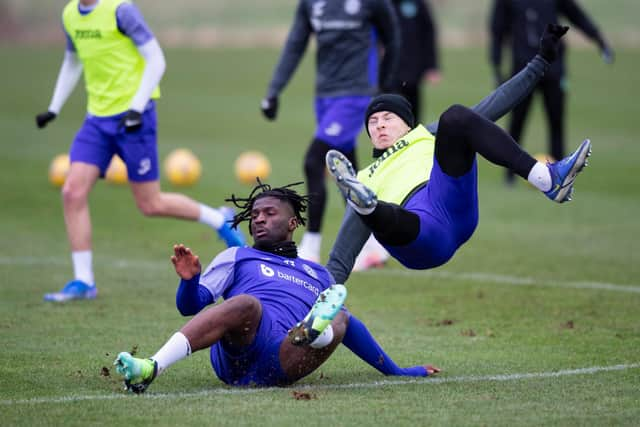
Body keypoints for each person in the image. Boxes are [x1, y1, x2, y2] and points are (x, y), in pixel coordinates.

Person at [324, 25, 592, 284]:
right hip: (419, 236)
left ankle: (547, 179)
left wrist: (541, 60)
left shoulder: (426, 135)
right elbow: (340, 259)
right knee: (375, 209)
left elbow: (496, 102)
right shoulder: (362, 177)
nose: (379, 124)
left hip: (449, 200)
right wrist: (308, 303)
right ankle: (371, 208)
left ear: (408, 123)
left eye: (388, 117)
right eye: (372, 122)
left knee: (457, 117)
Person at [114, 182, 440, 393]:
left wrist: (397, 371)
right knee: (247, 304)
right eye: (255, 215)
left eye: (269, 214)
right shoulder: (237, 256)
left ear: (293, 223)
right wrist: (189, 281)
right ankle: (150, 366)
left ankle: (313, 333)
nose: (258, 220)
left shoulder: (318, 275)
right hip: (239, 353)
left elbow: (352, 330)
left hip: (284, 359)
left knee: (339, 315)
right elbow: (190, 306)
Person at [35, 0, 245, 302]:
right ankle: (84, 281)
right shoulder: (70, 14)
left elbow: (157, 59)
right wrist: (54, 107)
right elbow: (72, 60)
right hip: (97, 121)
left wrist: (135, 108)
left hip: (136, 119)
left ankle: (218, 219)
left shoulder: (121, 11)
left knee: (151, 203)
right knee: (72, 192)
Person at [260, 0, 401, 263]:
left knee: (314, 161)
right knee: (347, 171)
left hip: (355, 94)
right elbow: (295, 45)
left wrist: (385, 84)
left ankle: (311, 247)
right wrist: (273, 90)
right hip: (324, 96)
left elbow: (393, 36)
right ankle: (373, 242)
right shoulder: (311, 4)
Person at [489, 0, 613, 185]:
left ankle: (560, 176)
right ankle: (509, 176)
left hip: (553, 69)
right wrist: (497, 67)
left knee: (556, 122)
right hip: (522, 71)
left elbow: (576, 15)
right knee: (517, 122)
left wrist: (599, 39)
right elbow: (497, 30)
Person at [390, 0, 442, 121]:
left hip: (413, 67)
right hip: (390, 68)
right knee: (391, 109)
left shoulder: (417, 4)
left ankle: (414, 135)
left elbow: (429, 34)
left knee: (412, 111)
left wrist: (432, 66)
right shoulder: (384, 4)